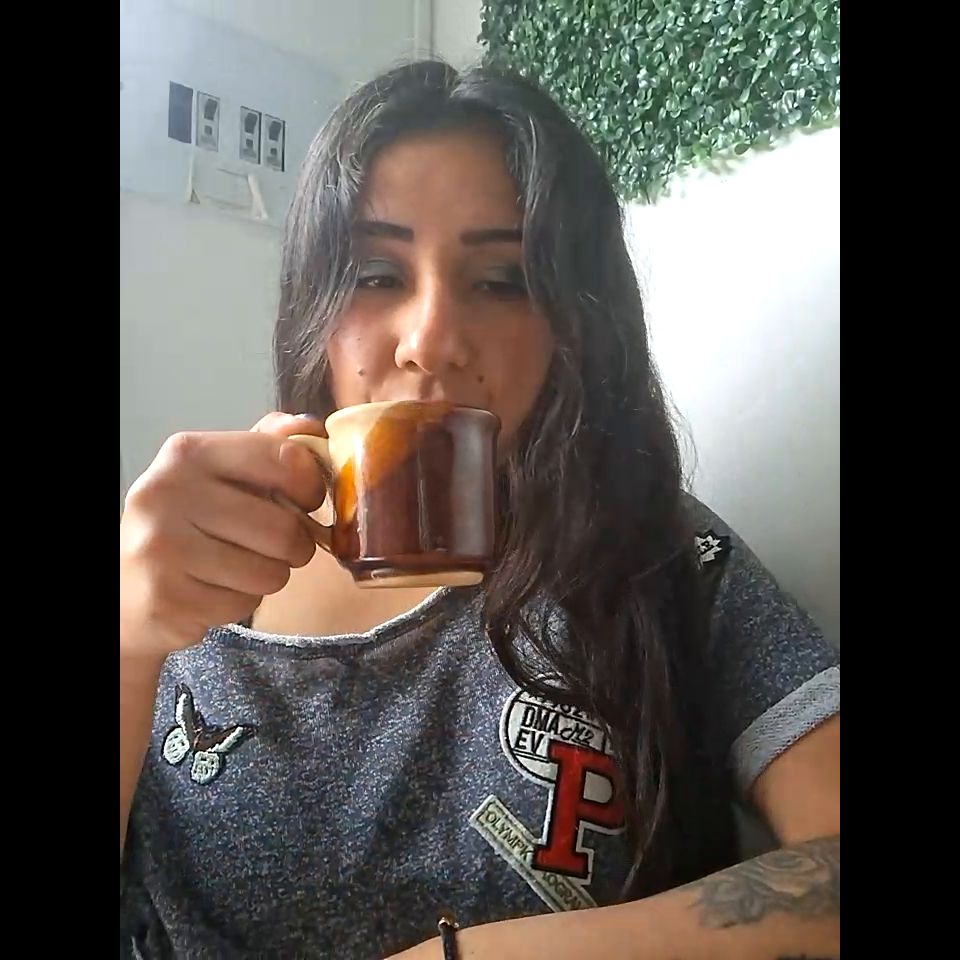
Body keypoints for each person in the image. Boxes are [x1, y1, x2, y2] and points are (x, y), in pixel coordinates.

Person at [120, 60, 840, 959]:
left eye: (502, 280)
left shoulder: (657, 554)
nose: (431, 340)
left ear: (574, 325)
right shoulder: (185, 572)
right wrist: (127, 645)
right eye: (375, 273)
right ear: (314, 306)